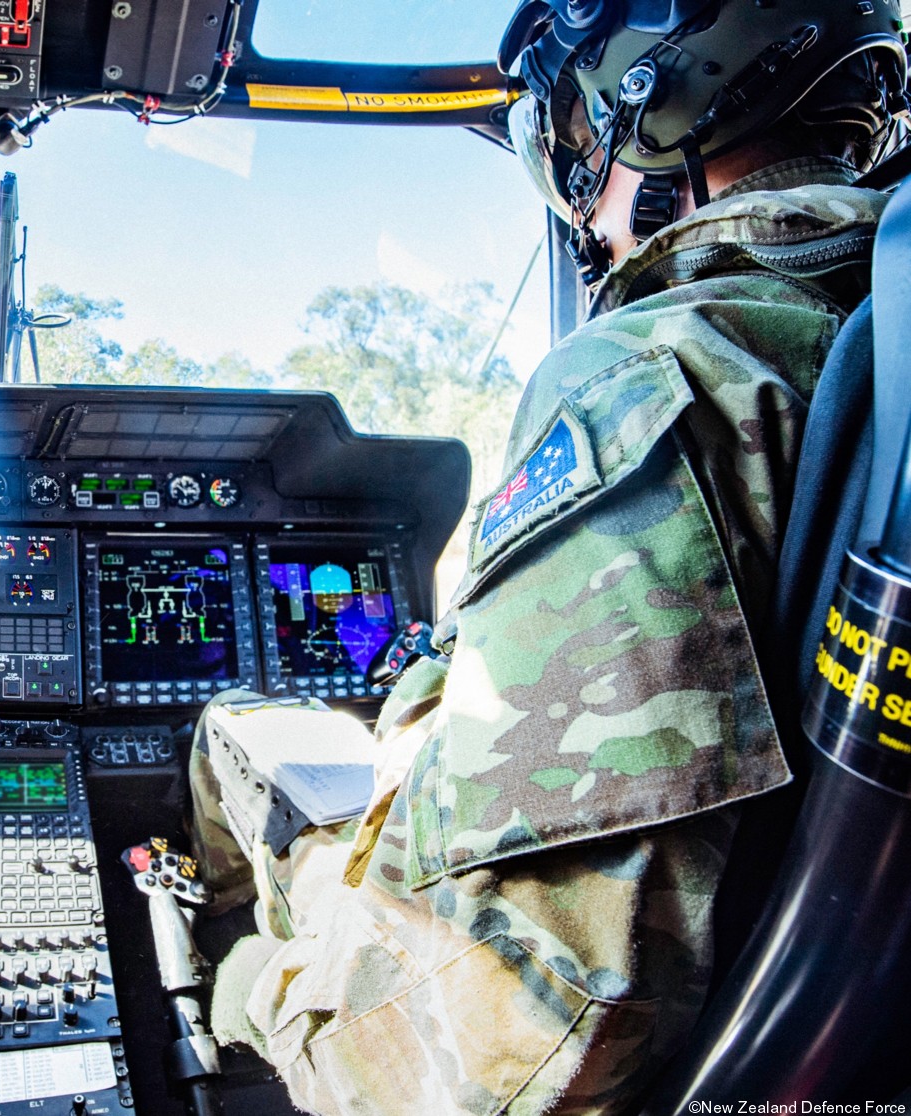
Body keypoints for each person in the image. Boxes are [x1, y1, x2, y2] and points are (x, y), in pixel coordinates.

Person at [190, 2, 909, 1110]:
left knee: (233, 737)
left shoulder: (655, 376)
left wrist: (257, 984)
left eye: (576, 146)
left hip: (526, 1008)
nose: (581, 196)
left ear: (650, 101)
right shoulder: (867, 335)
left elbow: (511, 1038)